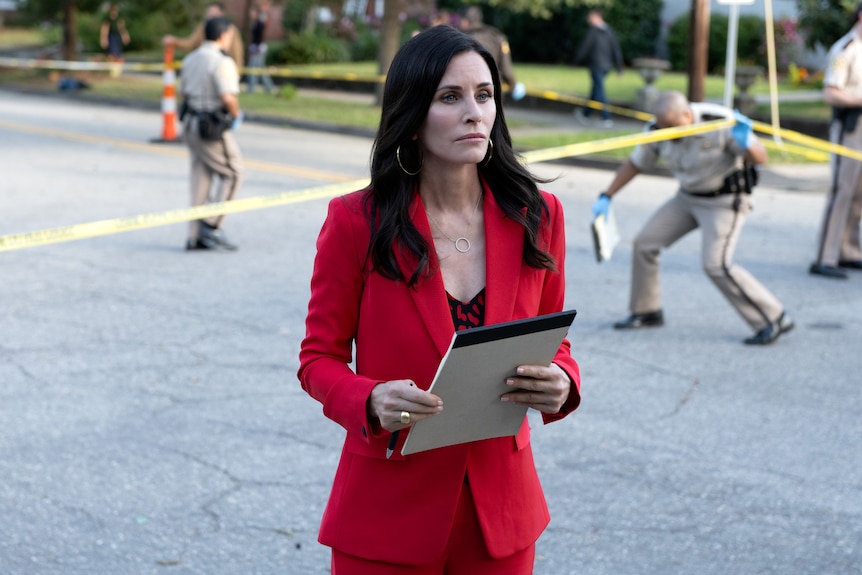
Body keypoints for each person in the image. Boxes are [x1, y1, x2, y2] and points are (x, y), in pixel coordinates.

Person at [298, 25, 580, 573]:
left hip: (500, 512)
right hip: (386, 512)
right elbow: (318, 361)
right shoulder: (355, 221)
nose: (474, 112)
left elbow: (554, 338)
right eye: (450, 97)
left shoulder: (538, 215)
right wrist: (370, 398)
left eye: (484, 94)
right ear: (411, 113)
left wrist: (563, 380)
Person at [594, 91, 794, 345]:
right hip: (688, 198)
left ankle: (772, 317)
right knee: (645, 243)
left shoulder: (720, 121)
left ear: (688, 115)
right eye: (665, 130)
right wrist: (607, 195)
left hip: (724, 200)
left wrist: (746, 143)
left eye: (674, 129)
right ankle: (646, 311)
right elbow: (636, 164)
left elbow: (760, 158)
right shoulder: (657, 129)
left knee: (716, 264)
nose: (671, 136)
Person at [179, 16, 243, 251]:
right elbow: (227, 96)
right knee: (234, 172)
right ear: (224, 35)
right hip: (211, 128)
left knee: (200, 178)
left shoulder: (190, 59)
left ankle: (194, 236)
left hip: (190, 123)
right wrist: (237, 115)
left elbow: (184, 93)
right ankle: (211, 226)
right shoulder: (221, 62)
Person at [810, 2, 862, 279]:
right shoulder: (846, 49)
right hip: (850, 126)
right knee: (842, 190)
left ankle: (848, 251)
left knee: (859, 193)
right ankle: (824, 256)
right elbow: (830, 93)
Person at [459, 6, 524, 100]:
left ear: (464, 21)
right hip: (493, 89)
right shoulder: (498, 36)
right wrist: (512, 85)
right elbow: (506, 68)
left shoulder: (459, 38)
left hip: (467, 91)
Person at [573, 9, 623, 128]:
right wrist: (618, 67)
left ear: (598, 17)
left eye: (590, 17)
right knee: (595, 91)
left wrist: (575, 62)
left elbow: (585, 48)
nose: (588, 20)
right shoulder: (608, 31)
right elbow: (615, 49)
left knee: (599, 92)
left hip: (597, 66)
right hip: (605, 66)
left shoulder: (595, 31)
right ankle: (585, 114)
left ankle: (606, 118)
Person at [163, 2, 244, 70]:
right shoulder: (203, 27)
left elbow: (237, 51)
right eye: (210, 14)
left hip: (223, 67)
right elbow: (191, 43)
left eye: (214, 14)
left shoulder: (231, 29)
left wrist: (237, 70)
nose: (211, 16)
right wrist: (174, 41)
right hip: (205, 66)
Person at [247, 4, 275, 94]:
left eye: (253, 12)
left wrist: (264, 12)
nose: (251, 14)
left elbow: (261, 34)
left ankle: (252, 89)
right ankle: (269, 87)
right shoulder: (254, 23)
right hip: (255, 47)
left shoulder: (259, 23)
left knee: (253, 68)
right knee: (260, 69)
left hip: (258, 49)